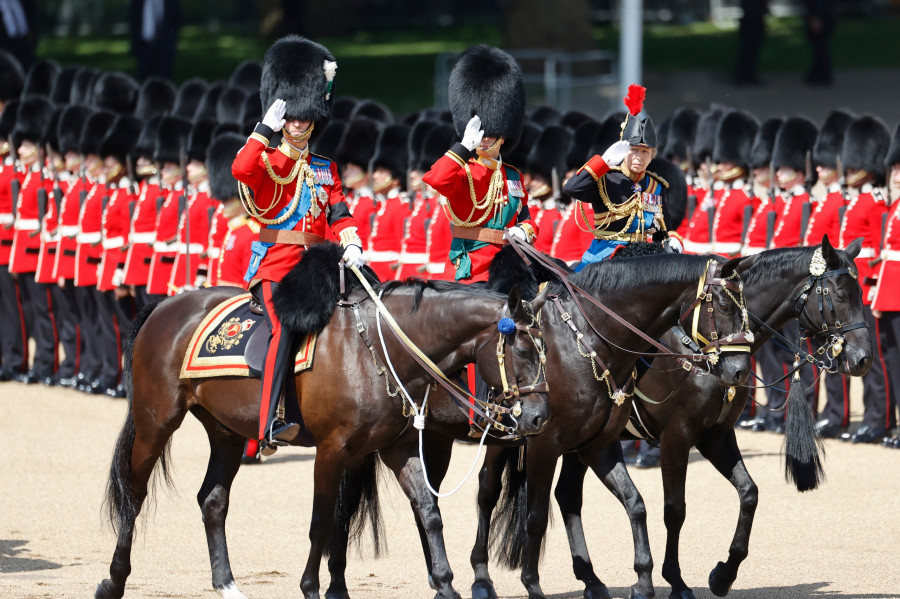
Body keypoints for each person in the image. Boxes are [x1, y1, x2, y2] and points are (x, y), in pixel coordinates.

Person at [231, 35, 364, 454]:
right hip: (276, 267)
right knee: (283, 328)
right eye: (293, 116)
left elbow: (339, 211)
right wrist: (264, 129)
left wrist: (352, 240)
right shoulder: (269, 160)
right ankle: (269, 420)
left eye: (305, 116)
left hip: (320, 268)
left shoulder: (325, 167)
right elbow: (241, 167)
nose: (299, 123)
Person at [422, 44, 537, 282]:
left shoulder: (513, 176)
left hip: (506, 267)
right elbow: (436, 179)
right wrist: (463, 146)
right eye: (480, 136)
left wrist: (523, 230)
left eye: (490, 135)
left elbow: (526, 218)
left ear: (503, 135)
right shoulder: (463, 170)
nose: (484, 141)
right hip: (469, 268)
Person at [563, 84, 676, 269]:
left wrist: (674, 240)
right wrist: (603, 163)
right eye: (634, 150)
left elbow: (665, 228)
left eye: (645, 152)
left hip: (645, 257)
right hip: (607, 256)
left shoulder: (656, 186)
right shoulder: (606, 179)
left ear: (652, 155)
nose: (639, 157)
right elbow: (571, 188)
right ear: (624, 151)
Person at [838, 115, 894, 444]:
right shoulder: (858, 199)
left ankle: (880, 418)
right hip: (854, 289)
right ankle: (872, 418)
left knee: (876, 358)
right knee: (858, 355)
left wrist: (871, 284)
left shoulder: (875, 202)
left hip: (870, 288)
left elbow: (880, 247)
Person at [807, 110, 854, 438]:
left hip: (832, 286)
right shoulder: (825, 201)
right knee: (820, 351)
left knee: (836, 350)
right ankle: (826, 411)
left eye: (825, 164)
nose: (819, 169)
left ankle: (837, 414)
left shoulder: (840, 201)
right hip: (816, 286)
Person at [873, 123, 900, 448]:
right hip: (889, 293)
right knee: (892, 362)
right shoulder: (894, 207)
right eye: (894, 167)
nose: (895, 173)